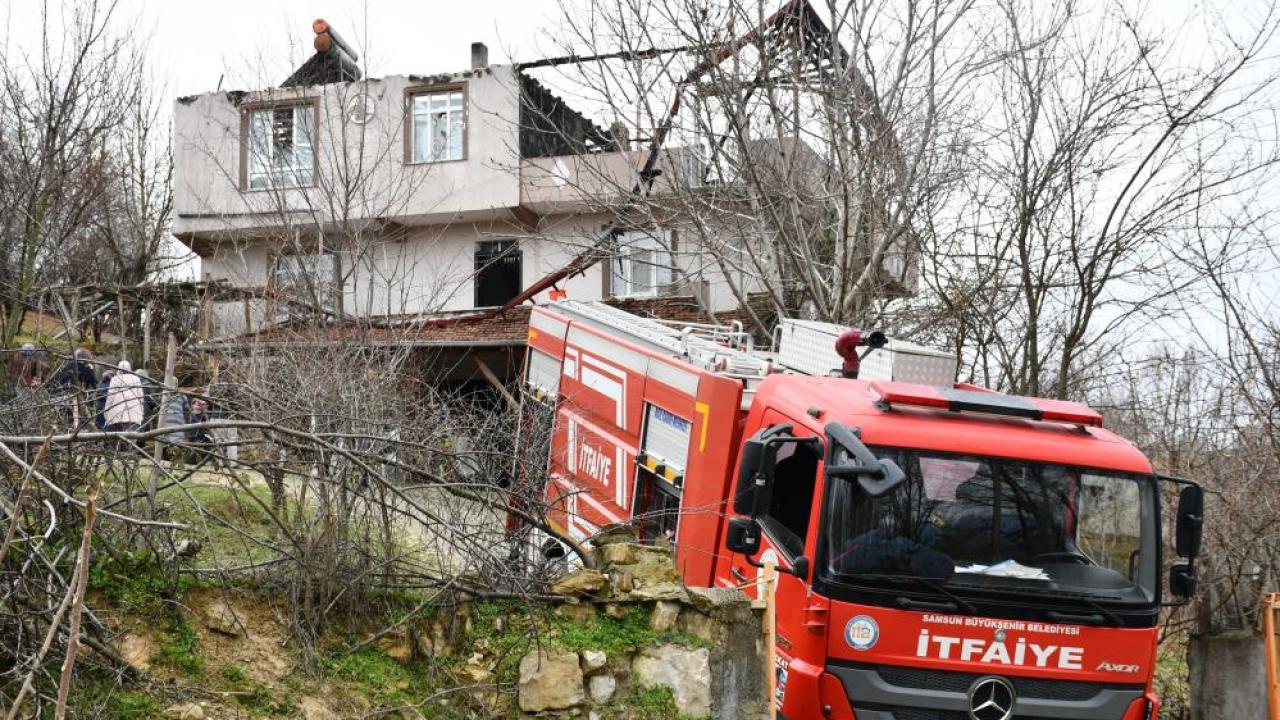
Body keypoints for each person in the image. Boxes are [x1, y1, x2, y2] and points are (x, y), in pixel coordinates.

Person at [104, 360, 146, 446]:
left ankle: (119, 452)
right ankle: (129, 452)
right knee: (131, 440)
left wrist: (106, 411)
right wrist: (141, 412)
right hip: (134, 414)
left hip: (117, 415)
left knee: (118, 439)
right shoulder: (136, 379)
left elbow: (110, 397)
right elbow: (140, 397)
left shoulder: (115, 379)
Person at [54, 348, 98, 428]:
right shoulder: (87, 366)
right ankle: (80, 426)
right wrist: (95, 388)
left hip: (66, 393)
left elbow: (60, 379)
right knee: (82, 413)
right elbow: (92, 380)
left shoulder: (68, 365)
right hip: (79, 393)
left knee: (68, 413)